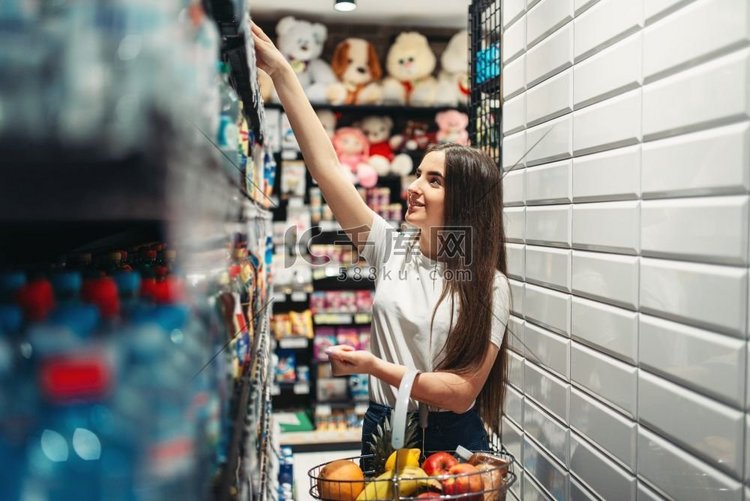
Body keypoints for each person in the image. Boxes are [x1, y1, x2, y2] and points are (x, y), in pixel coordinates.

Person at [251, 24, 510, 456]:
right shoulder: (391, 249)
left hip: (455, 440)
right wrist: (281, 71)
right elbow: (328, 169)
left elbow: (462, 393)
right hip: (386, 427)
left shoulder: (490, 285)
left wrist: (376, 367)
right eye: (417, 173)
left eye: (434, 180)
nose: (413, 186)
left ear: (466, 201)